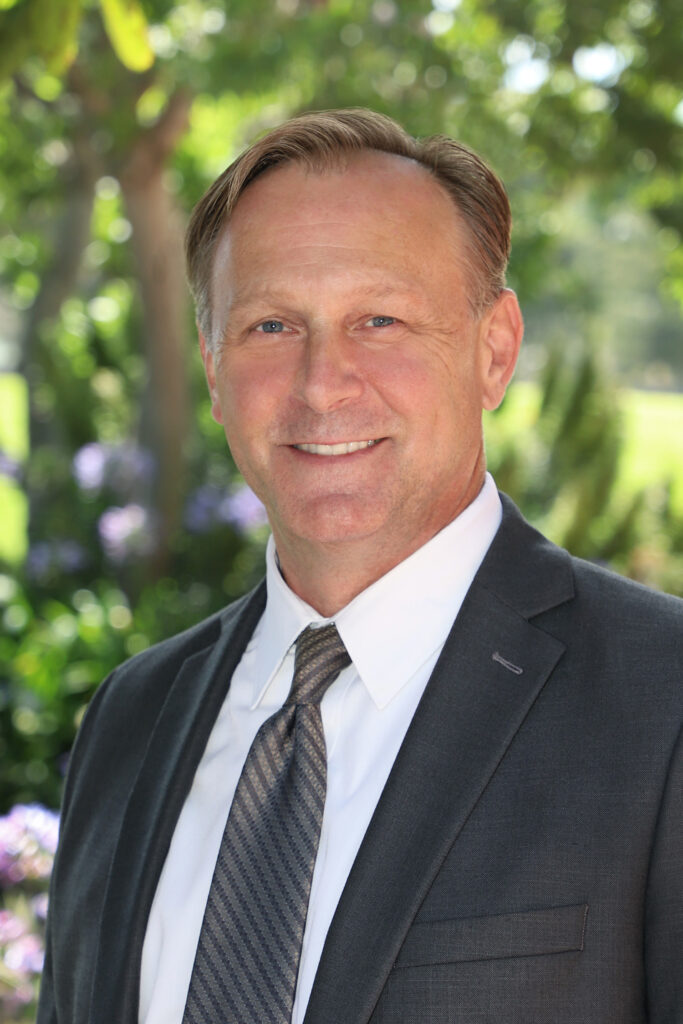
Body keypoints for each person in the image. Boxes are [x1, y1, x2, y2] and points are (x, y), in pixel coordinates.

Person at [37, 109, 682, 1024]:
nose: (321, 383)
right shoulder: (132, 717)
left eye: (379, 318)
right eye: (269, 325)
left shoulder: (663, 703)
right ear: (214, 372)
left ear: (493, 351)